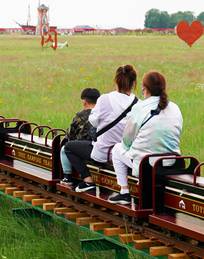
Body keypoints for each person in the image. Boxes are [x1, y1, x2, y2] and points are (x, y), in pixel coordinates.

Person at [108, 71, 182, 205]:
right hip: (171, 161)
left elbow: (127, 140)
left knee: (117, 149)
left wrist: (130, 149)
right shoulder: (175, 108)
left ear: (145, 89)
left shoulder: (139, 107)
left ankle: (124, 192)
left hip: (147, 164)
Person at [65, 64, 138, 193]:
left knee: (69, 147)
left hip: (103, 152)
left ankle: (87, 181)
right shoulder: (139, 104)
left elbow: (93, 121)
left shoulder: (104, 99)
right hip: (125, 154)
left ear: (116, 81)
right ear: (134, 83)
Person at [59, 87, 100, 183]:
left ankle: (67, 176)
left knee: (64, 149)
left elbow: (70, 134)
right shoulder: (103, 114)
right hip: (100, 147)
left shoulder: (81, 115)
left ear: (84, 102)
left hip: (84, 148)